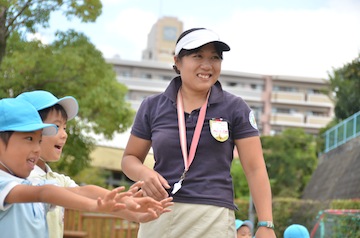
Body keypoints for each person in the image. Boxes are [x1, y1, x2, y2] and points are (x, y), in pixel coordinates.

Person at [121, 27, 276, 238]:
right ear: (177, 61)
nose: (207, 65)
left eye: (215, 57)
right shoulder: (152, 106)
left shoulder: (236, 107)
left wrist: (266, 224)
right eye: (198, 56)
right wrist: (144, 174)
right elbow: (129, 159)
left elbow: (255, 168)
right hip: (160, 211)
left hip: (213, 217)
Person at [16, 90, 173, 238]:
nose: (64, 134)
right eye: (56, 127)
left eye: (65, 127)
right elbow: (63, 193)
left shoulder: (55, 179)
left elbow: (83, 192)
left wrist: (131, 208)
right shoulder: (15, 179)